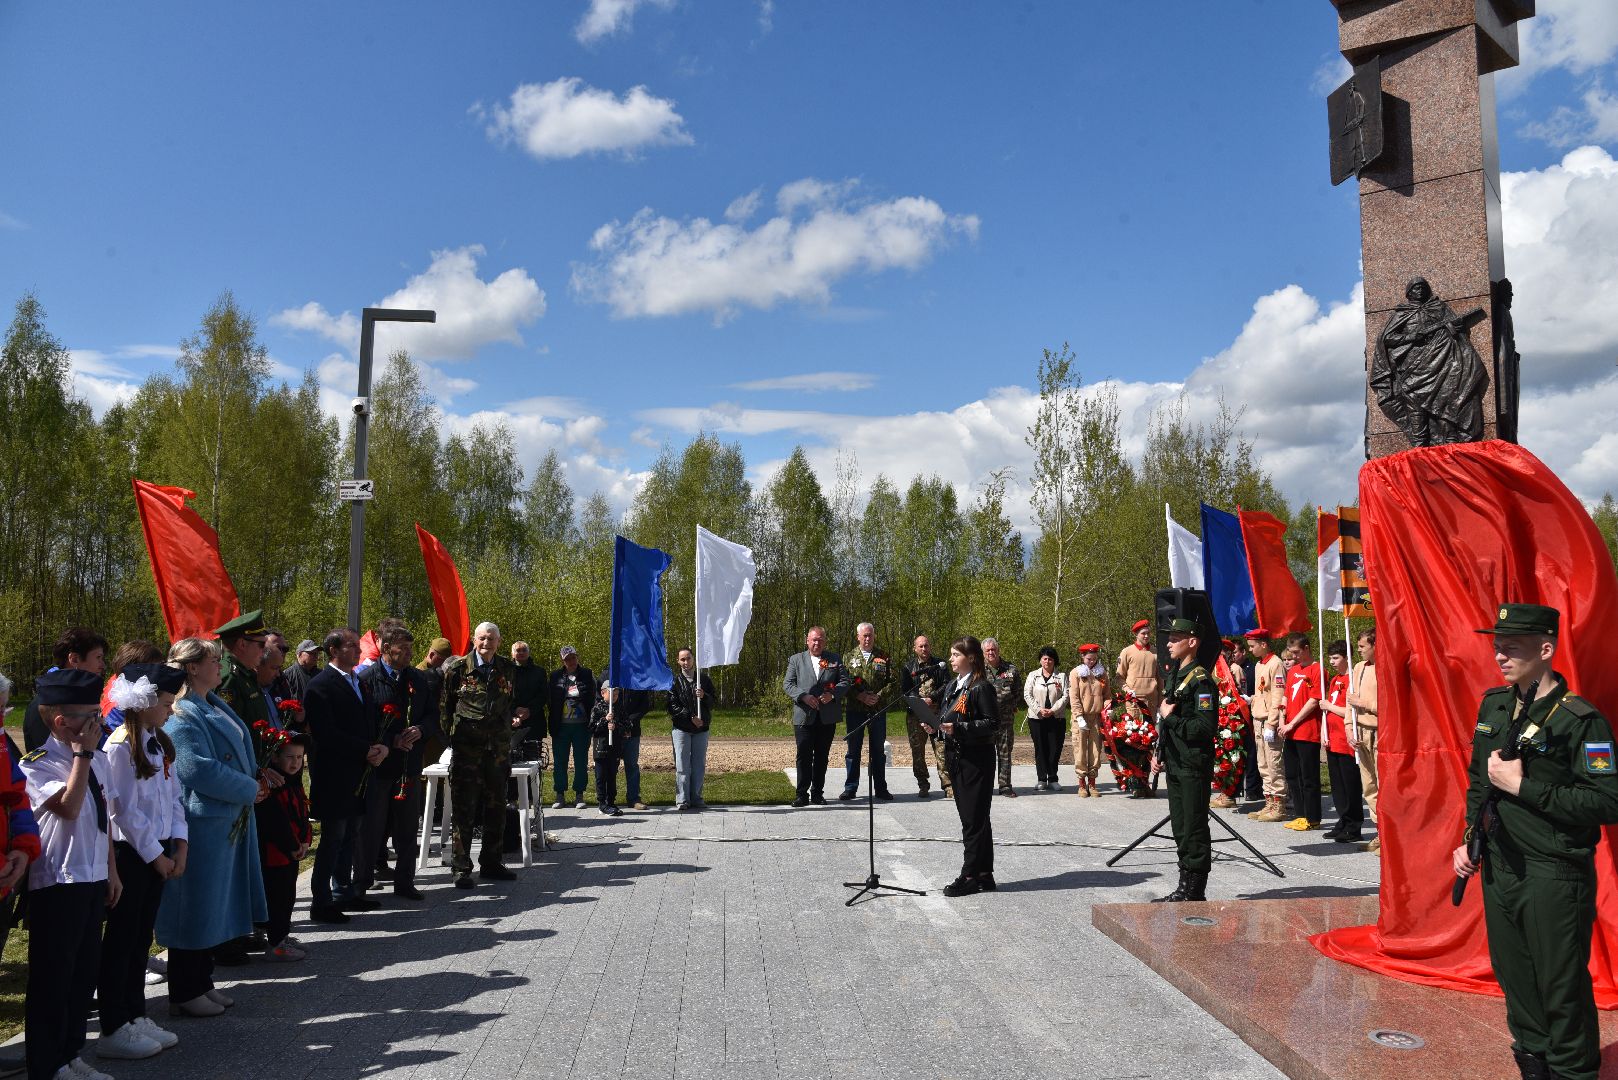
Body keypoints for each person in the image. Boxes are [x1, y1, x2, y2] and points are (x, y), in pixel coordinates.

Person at [1451, 603, 1618, 1080]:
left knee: (1560, 987)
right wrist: (1469, 840)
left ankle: (1573, 1071)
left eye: (1513, 646)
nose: (1500, 654)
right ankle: (1533, 1063)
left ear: (1545, 649)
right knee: (1517, 981)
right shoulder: (1495, 705)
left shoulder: (1580, 721)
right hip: (1501, 865)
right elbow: (1479, 783)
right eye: (1497, 644)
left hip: (1553, 871)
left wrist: (1524, 787)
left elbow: (1607, 801)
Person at [153, 637, 268, 1021]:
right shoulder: (181, 712)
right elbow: (195, 768)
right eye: (213, 660)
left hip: (224, 820)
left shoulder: (208, 703)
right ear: (191, 667)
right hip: (201, 823)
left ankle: (201, 981)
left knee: (212, 904)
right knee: (195, 906)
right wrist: (248, 788)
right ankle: (184, 991)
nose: (220, 665)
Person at [20, 669, 122, 1080]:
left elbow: (106, 820)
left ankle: (71, 1054)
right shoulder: (38, 763)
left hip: (93, 874)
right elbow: (69, 806)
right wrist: (81, 755)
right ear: (63, 722)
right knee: (54, 979)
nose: (98, 723)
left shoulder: (95, 759)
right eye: (90, 715)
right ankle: (46, 1065)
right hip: (58, 881)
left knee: (83, 974)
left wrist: (112, 871)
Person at [98, 664, 187, 1060]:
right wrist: (155, 857)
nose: (171, 711)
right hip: (133, 855)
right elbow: (122, 811)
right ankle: (114, 1024)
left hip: (160, 851)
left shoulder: (159, 741)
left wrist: (179, 845)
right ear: (146, 702)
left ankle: (135, 1014)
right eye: (167, 703)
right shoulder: (120, 745)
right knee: (122, 940)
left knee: (140, 938)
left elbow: (173, 799)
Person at [303, 627, 382, 922]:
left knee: (351, 834)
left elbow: (368, 719)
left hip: (359, 772)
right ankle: (321, 901)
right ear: (333, 651)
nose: (358, 650)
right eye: (350, 645)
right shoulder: (320, 685)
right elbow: (325, 734)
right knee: (333, 838)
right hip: (335, 775)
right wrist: (365, 749)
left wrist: (379, 747)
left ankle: (344, 892)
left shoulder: (358, 681)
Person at [356, 624, 438, 902]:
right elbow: (364, 723)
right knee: (372, 827)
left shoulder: (418, 678)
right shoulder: (367, 679)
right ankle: (362, 882)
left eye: (410, 649)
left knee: (406, 829)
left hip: (409, 765)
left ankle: (405, 882)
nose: (408, 654)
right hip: (379, 767)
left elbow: (431, 715)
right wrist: (391, 740)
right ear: (386, 648)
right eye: (402, 649)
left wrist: (421, 730)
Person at [440, 622, 519, 889]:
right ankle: (461, 868)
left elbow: (508, 703)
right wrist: (453, 742)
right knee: (465, 810)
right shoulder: (457, 669)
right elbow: (445, 709)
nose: (487, 643)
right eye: (482, 638)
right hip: (467, 752)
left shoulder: (507, 668)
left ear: (499, 641)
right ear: (475, 640)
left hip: (497, 751)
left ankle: (492, 863)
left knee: (497, 807)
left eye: (492, 639)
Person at [1152, 618, 1218, 902]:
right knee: (1180, 826)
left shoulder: (1201, 681)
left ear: (1192, 642)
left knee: (1193, 827)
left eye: (1175, 638)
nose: (1168, 643)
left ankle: (1194, 889)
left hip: (1193, 763)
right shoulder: (1178, 674)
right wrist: (1160, 753)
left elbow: (1204, 728)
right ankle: (1184, 885)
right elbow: (1168, 723)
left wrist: (1172, 717)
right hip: (1177, 762)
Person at [937, 636, 1001, 897]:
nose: (951, 659)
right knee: (976, 818)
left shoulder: (981, 687)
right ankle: (985, 873)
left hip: (976, 760)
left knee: (972, 820)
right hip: (958, 756)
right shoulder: (955, 685)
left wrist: (959, 728)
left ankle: (970, 874)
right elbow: (950, 714)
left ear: (971, 657)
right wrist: (936, 724)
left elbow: (992, 723)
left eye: (955, 654)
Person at [254, 733, 312, 961]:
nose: (295, 762)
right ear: (275, 758)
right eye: (290, 757)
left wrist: (306, 840)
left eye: (300, 757)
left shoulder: (294, 783)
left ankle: (280, 937)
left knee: (287, 895)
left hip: (292, 852)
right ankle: (276, 943)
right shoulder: (271, 786)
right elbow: (274, 822)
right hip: (276, 854)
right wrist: (291, 844)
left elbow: (303, 815)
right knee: (277, 898)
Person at [784, 627, 848, 807]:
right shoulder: (796, 660)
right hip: (804, 717)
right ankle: (801, 794)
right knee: (803, 756)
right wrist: (804, 696)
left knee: (822, 756)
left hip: (826, 717)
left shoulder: (834, 659)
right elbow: (788, 684)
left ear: (825, 641)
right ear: (807, 641)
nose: (816, 643)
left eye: (820, 640)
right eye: (813, 640)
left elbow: (845, 681)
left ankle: (817, 793)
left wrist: (833, 694)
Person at [24, 627, 108, 752]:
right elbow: (52, 759)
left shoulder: (82, 700)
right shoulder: (47, 704)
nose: (103, 665)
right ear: (74, 659)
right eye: (98, 658)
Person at [838, 622, 894, 802]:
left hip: (877, 710)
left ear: (874, 636)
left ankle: (881, 788)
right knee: (853, 751)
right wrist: (860, 696)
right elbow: (843, 682)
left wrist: (878, 696)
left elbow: (893, 682)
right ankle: (850, 788)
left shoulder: (883, 656)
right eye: (864, 635)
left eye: (870, 635)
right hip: (855, 710)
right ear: (858, 637)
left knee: (878, 750)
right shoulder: (848, 657)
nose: (868, 638)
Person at [1319, 640, 1365, 843]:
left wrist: (1328, 706)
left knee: (1350, 784)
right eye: (1330, 658)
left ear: (1347, 657)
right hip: (1332, 738)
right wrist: (1323, 730)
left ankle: (1354, 825)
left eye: (1336, 658)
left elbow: (1348, 711)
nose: (1332, 662)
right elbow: (1326, 710)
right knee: (1337, 785)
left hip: (1346, 739)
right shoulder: (1335, 680)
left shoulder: (1352, 680)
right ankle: (1343, 820)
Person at [1277, 633, 1323, 831]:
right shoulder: (1294, 670)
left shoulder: (1317, 669)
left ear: (1306, 648)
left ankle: (1312, 817)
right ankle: (1300, 814)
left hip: (1307, 730)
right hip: (1290, 731)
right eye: (1291, 653)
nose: (1293, 656)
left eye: (1296, 652)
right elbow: (1286, 697)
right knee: (1292, 774)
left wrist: (1292, 723)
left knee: (1309, 776)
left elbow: (1313, 701)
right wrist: (1282, 720)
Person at [1244, 630, 1289, 823]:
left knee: (1273, 761)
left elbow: (1278, 695)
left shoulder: (1275, 663)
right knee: (1263, 763)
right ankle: (1269, 800)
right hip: (1258, 718)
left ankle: (1279, 804)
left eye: (1253, 645)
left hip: (1268, 720)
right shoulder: (1259, 664)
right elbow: (1263, 692)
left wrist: (1272, 722)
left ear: (1263, 644)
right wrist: (1252, 700)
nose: (1250, 649)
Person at [901, 636, 951, 799]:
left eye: (926, 646)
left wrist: (933, 698)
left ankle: (948, 785)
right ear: (915, 648)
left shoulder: (940, 665)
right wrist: (919, 701)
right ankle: (923, 784)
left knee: (941, 748)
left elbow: (947, 685)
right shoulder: (909, 667)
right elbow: (906, 690)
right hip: (916, 715)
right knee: (918, 751)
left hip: (937, 713)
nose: (924, 649)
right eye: (921, 646)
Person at [547, 646, 596, 810]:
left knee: (581, 761)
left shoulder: (587, 674)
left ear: (577, 657)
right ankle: (559, 794)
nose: (571, 661)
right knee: (560, 762)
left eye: (573, 657)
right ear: (563, 660)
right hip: (561, 726)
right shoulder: (555, 676)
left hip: (581, 726)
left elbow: (593, 699)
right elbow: (550, 701)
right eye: (567, 658)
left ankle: (579, 794)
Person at [667, 648, 714, 811]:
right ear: (678, 661)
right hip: (681, 729)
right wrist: (690, 717)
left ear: (693, 659)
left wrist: (704, 696)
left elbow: (713, 702)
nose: (686, 662)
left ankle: (696, 798)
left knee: (699, 764)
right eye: (682, 659)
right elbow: (672, 706)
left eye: (688, 658)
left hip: (701, 729)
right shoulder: (673, 682)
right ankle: (682, 799)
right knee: (682, 765)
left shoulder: (704, 681)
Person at [1347, 628, 1380, 852]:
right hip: (1362, 732)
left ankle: (1391, 834)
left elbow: (1394, 704)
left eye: (1362, 647)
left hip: (1381, 731)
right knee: (1369, 786)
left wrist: (1366, 704)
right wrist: (1350, 728)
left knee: (1384, 784)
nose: (1358, 651)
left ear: (1375, 646)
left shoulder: (1386, 668)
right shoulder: (1358, 668)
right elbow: (1350, 701)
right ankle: (1379, 832)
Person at [213, 611, 271, 732]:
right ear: (242, 644)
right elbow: (228, 730)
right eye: (261, 645)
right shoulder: (229, 677)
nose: (264, 651)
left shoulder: (246, 673)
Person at [1024, 646, 1068, 792]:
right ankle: (1042, 779)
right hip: (1037, 718)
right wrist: (1038, 710)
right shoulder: (1032, 675)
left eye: (1050, 658)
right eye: (1044, 658)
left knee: (1055, 749)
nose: (1047, 661)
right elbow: (1027, 695)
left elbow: (1065, 696)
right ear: (1040, 660)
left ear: (1054, 660)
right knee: (1040, 749)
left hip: (1056, 718)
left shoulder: (1061, 676)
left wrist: (1053, 710)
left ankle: (1053, 778)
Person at [100, 641, 163, 741]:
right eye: (154, 671)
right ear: (134, 675)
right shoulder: (117, 724)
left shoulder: (146, 711)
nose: (160, 677)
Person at [984, 638, 1021, 796]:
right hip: (985, 721)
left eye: (993, 649)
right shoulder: (978, 670)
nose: (991, 652)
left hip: (1005, 720)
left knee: (1005, 753)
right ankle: (984, 786)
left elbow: (1018, 692)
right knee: (985, 754)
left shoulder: (1011, 669)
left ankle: (1005, 785)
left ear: (998, 650)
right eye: (988, 650)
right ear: (983, 653)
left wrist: (1011, 705)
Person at [1068, 644, 1107, 797]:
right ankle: (1082, 784)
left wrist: (1107, 709)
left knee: (1095, 750)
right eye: (1089, 659)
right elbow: (1074, 696)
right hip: (1081, 718)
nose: (1092, 662)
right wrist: (1078, 716)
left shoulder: (1102, 673)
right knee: (1080, 750)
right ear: (1082, 657)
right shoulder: (1076, 673)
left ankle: (1092, 783)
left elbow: (1107, 695)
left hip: (1096, 717)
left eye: (1094, 659)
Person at [589, 684, 625, 816]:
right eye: (611, 694)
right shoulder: (597, 708)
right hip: (601, 748)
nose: (614, 697)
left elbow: (627, 725)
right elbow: (592, 727)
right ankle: (602, 803)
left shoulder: (619, 708)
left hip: (614, 748)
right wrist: (604, 720)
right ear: (603, 693)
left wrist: (616, 726)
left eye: (616, 694)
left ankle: (611, 802)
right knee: (601, 776)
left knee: (612, 776)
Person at [509, 641, 548, 761]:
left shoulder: (539, 672)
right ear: (512, 653)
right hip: (511, 723)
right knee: (512, 762)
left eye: (524, 650)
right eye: (517, 650)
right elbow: (501, 695)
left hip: (534, 723)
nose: (521, 653)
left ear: (528, 652)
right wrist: (514, 711)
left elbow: (544, 695)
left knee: (534, 761)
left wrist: (529, 710)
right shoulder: (505, 672)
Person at [615, 687, 651, 811]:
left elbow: (645, 705)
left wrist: (629, 722)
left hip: (632, 731)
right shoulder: (608, 675)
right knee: (611, 766)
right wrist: (617, 723)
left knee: (632, 766)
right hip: (612, 731)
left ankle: (634, 799)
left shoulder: (638, 679)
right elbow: (601, 700)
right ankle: (608, 799)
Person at [1116, 619, 1161, 718]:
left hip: (1152, 702)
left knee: (1152, 733)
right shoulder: (1127, 652)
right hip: (1134, 702)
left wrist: (1160, 704)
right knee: (1135, 732)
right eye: (1143, 633)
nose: (1146, 636)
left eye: (1148, 633)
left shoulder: (1156, 652)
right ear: (1136, 634)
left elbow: (1160, 679)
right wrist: (1128, 690)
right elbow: (1119, 677)